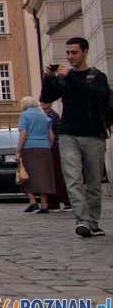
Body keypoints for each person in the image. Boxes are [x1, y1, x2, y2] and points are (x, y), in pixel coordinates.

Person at [40, 37, 108, 237]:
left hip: (93, 134)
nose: (70, 56)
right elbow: (46, 98)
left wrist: (69, 77)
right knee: (73, 180)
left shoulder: (97, 77)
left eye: (74, 53)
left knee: (93, 182)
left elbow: (94, 96)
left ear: (85, 52)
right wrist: (48, 79)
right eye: (68, 53)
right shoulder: (62, 79)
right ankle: (83, 220)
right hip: (68, 134)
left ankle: (93, 221)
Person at [16, 96, 55, 213]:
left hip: (29, 148)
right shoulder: (44, 116)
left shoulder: (24, 115)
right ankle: (44, 205)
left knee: (26, 174)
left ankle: (32, 201)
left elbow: (23, 134)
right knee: (43, 176)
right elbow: (51, 136)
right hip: (44, 148)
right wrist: (48, 146)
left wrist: (18, 150)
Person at [41, 101, 71, 211]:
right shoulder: (44, 115)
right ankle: (53, 201)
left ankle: (66, 200)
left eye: (46, 101)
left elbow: (51, 134)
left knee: (57, 174)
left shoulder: (52, 115)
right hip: (49, 147)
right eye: (42, 101)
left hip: (54, 147)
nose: (43, 103)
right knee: (50, 175)